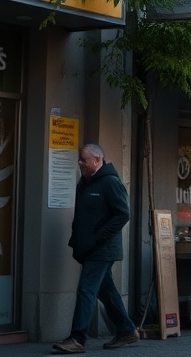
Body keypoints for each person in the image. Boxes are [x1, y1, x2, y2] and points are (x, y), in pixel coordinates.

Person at [53, 144, 139, 354]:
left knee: (86, 290)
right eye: (79, 160)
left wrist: (98, 237)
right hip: (89, 249)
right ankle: (127, 330)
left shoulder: (110, 183)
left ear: (98, 159)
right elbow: (83, 216)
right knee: (107, 291)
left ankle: (77, 338)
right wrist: (77, 240)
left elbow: (122, 214)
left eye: (84, 160)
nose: (80, 163)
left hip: (102, 250)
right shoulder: (85, 183)